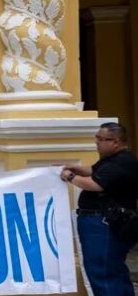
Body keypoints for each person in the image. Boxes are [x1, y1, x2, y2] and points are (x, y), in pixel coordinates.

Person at [61, 122, 138, 296]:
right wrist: (77, 168)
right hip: (102, 222)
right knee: (113, 271)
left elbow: (95, 184)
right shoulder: (113, 160)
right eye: (96, 137)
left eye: (101, 139)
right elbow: (94, 171)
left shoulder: (122, 162)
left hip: (104, 224)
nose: (97, 142)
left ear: (116, 142)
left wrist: (70, 176)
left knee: (103, 272)